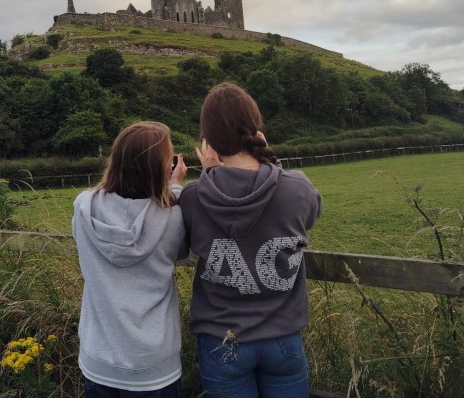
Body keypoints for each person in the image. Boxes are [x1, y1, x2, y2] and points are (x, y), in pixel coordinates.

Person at [179, 83, 322, 398]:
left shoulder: (193, 196)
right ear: (256, 129)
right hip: (283, 336)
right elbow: (311, 214)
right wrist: (270, 162)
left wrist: (212, 175)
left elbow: (180, 246)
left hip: (221, 340)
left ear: (209, 140)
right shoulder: (297, 187)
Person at [72, 121, 189, 397]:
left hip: (99, 359)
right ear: (159, 169)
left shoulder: (83, 209)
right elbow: (182, 251)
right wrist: (175, 187)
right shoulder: (172, 218)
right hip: (153, 365)